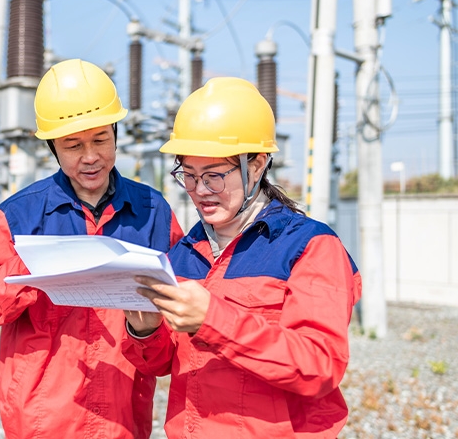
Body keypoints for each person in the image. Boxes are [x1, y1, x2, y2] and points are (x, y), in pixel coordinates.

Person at [123, 77, 362, 438]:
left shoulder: (309, 246)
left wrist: (212, 318)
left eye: (214, 175)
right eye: (188, 175)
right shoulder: (185, 253)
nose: (200, 191)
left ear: (256, 165)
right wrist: (144, 329)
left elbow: (319, 365)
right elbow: (164, 363)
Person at [0, 58, 184, 438]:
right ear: (53, 147)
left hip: (123, 415)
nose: (90, 156)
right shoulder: (20, 215)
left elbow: (180, 303)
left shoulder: (152, 212)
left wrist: (151, 332)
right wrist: (30, 266)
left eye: (100, 139)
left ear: (116, 133)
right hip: (43, 419)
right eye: (72, 145)